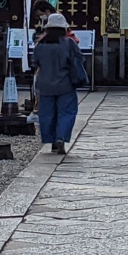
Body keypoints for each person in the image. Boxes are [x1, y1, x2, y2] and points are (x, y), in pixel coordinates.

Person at [31, 12, 86, 155]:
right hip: (65, 84)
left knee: (47, 114)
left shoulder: (40, 45)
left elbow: (34, 63)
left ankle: (51, 140)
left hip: (45, 84)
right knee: (67, 112)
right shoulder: (69, 43)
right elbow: (79, 59)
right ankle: (61, 137)